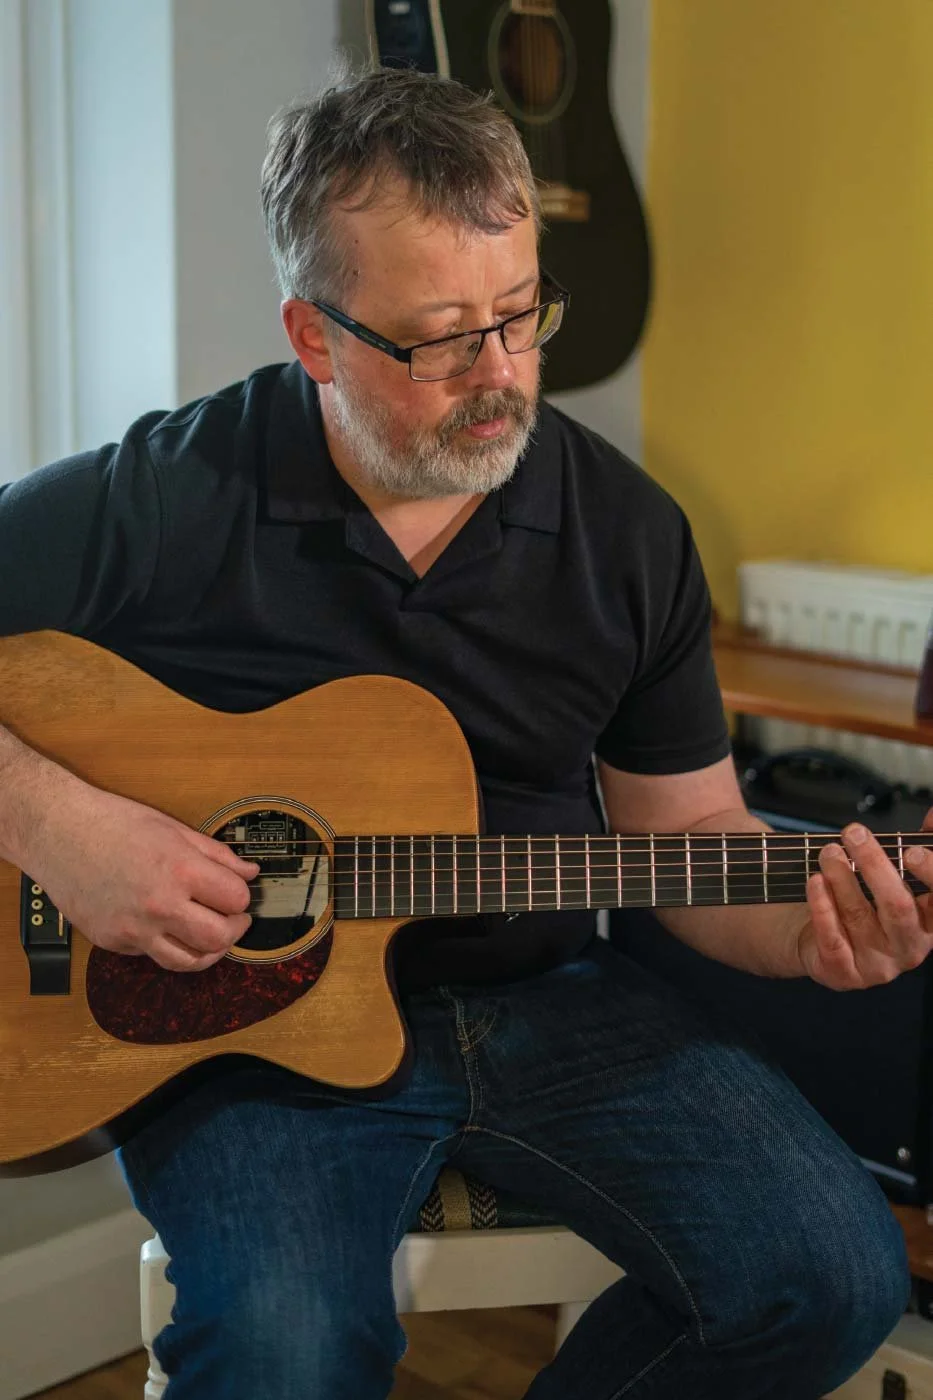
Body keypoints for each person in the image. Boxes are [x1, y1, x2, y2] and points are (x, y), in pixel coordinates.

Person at [0, 63, 927, 1400]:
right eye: (440, 338)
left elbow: (697, 841)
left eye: (520, 315)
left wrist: (815, 936)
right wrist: (66, 829)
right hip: (254, 1040)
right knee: (283, 1353)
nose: (501, 375)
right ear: (314, 337)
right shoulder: (168, 493)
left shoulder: (627, 534)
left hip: (551, 1004)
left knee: (833, 1276)